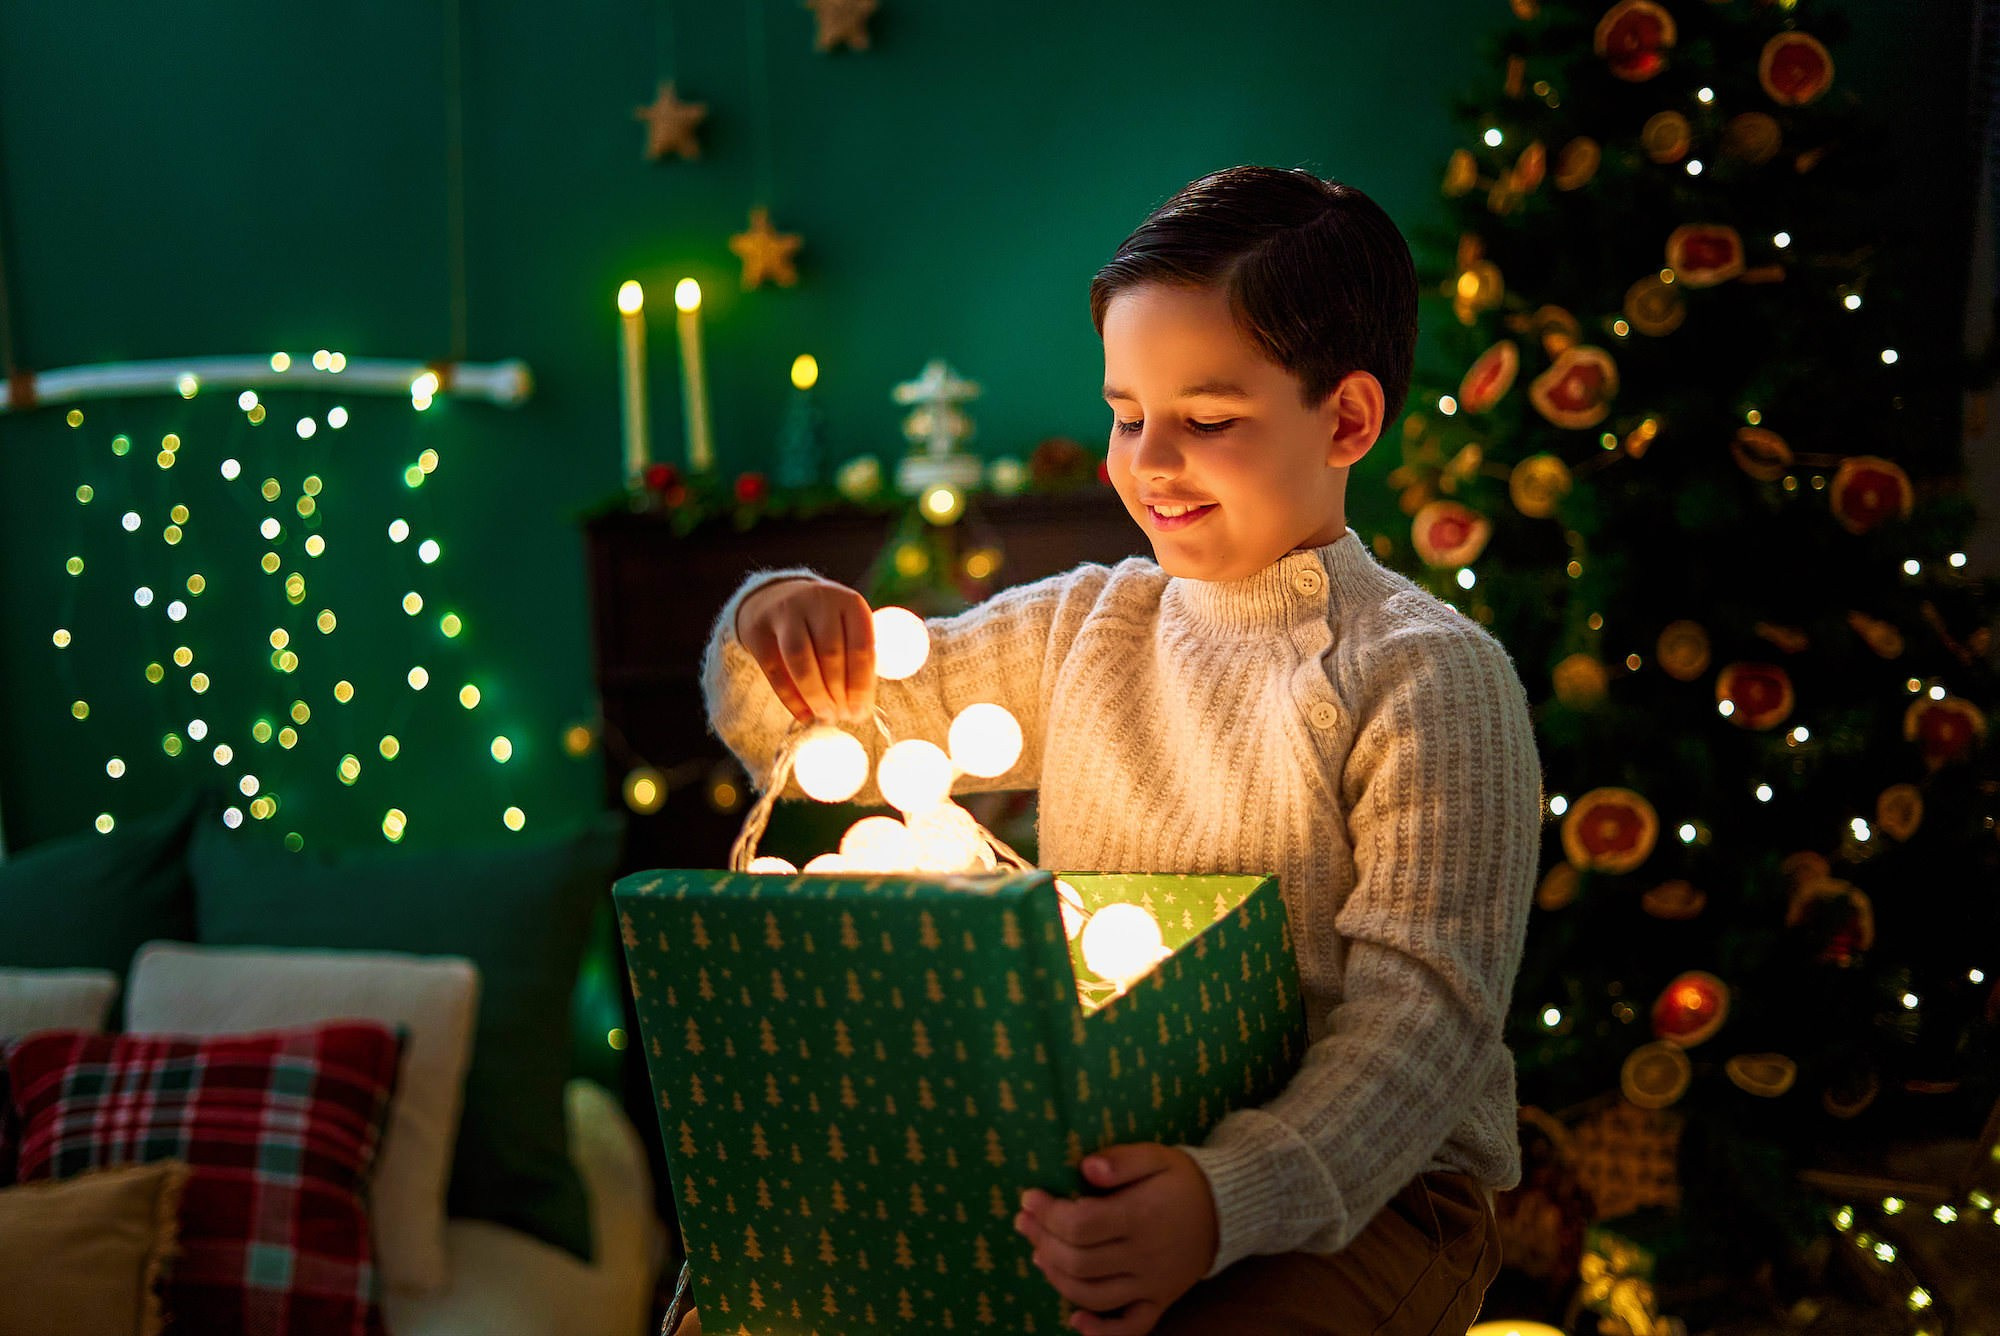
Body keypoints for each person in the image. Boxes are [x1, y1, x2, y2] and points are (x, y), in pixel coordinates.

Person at [702, 165, 1540, 1335]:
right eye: (1124, 412)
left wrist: (1223, 1198)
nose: (1146, 462)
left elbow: (1423, 1025)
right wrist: (775, 620)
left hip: (1376, 1195)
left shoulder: (1427, 676)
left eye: (1204, 421)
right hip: (1094, 1151)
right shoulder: (1086, 627)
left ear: (1345, 419)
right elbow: (806, 722)